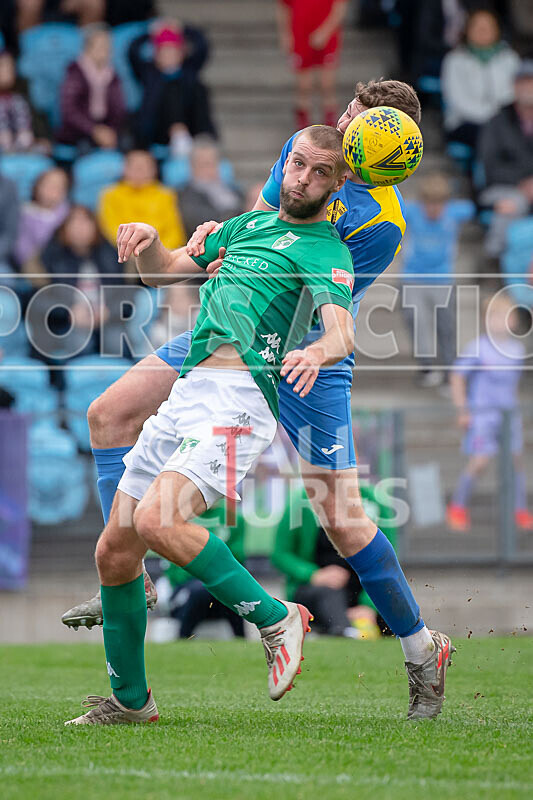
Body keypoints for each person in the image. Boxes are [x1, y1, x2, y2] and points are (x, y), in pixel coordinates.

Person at [63, 80, 455, 722]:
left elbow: (318, 295)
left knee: (342, 519)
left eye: (361, 123)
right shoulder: (308, 153)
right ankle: (130, 574)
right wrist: (222, 238)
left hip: (302, 356)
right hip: (233, 327)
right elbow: (265, 229)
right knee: (108, 413)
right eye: (350, 112)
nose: (346, 123)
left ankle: (420, 649)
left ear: (388, 146)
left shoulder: (380, 224)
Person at [65, 125, 356, 724]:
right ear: (285, 161)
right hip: (190, 390)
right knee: (115, 554)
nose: (301, 179)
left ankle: (278, 619)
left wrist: (317, 351)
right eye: (296, 163)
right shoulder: (246, 224)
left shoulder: (324, 248)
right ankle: (130, 704)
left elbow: (342, 329)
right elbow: (164, 271)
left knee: (157, 519)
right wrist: (148, 242)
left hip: (239, 400)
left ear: (337, 182)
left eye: (318, 172)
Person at [447, 292, 533, 532]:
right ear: (487, 319)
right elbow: (457, 377)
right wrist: (463, 409)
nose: (502, 321)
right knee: (479, 462)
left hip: (508, 416)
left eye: (507, 316)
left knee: (516, 462)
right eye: (496, 316)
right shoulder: (478, 348)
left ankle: (520, 510)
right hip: (483, 415)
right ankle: (458, 507)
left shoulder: (517, 350)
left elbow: (511, 386)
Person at [273, 483, 397, 639]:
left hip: (365, 593)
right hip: (316, 591)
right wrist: (314, 575)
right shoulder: (301, 501)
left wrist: (368, 606)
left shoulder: (375, 502)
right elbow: (280, 554)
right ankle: (345, 632)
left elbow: (386, 560)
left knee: (396, 605)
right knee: (328, 594)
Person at [401, 172, 475, 387]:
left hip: (443, 278)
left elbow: (473, 207)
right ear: (422, 201)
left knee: (447, 328)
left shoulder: (455, 211)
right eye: (429, 204)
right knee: (417, 323)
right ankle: (426, 368)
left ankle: (449, 373)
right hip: (413, 278)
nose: (434, 209)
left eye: (439, 204)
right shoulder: (411, 211)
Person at [441, 8, 519, 148]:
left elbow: (514, 93)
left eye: (488, 26)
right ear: (467, 30)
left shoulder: (509, 58)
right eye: (478, 26)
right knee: (490, 134)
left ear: (497, 30)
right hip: (466, 122)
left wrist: (499, 117)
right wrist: (490, 117)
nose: (483, 31)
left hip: (503, 121)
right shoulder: (454, 60)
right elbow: (457, 100)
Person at [129, 23, 216, 149]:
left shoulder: (189, 72)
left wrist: (184, 28)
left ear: (180, 53)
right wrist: (150, 32)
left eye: (172, 50)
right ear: (156, 55)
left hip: (190, 132)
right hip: (156, 136)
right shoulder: (149, 74)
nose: (168, 55)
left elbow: (202, 46)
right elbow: (133, 51)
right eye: (164, 51)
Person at [478, 62, 533, 258]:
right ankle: (493, 260)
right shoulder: (497, 121)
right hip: (503, 187)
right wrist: (524, 185)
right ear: (514, 86)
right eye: (523, 82)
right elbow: (490, 166)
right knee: (512, 204)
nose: (528, 88)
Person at [276, 0, 349, 129]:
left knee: (327, 84)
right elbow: (283, 8)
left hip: (328, 37)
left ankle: (330, 126)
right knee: (304, 86)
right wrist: (285, 35)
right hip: (300, 34)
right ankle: (303, 127)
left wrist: (325, 32)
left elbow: (340, 8)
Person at [55, 24, 126, 150]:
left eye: (107, 46)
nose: (105, 50)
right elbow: (70, 112)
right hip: (78, 132)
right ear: (87, 47)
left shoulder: (113, 75)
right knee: (85, 148)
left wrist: (109, 131)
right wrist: (94, 130)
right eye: (100, 45)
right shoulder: (74, 73)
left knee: (127, 144)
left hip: (107, 129)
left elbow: (119, 108)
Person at [98, 150, 186, 251]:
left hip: (162, 251)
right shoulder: (111, 194)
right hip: (124, 251)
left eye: (145, 167)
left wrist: (161, 252)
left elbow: (174, 230)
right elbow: (112, 228)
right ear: (124, 169)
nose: (140, 170)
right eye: (135, 166)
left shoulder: (166, 194)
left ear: (154, 170)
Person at [177, 138, 243, 238]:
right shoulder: (186, 194)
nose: (210, 169)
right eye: (205, 164)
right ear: (193, 167)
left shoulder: (232, 189)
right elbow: (197, 222)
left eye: (213, 163)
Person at [14, 167, 69, 267]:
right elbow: (21, 247)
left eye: (59, 186)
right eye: (48, 185)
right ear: (36, 187)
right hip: (33, 264)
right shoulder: (24, 213)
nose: (53, 190)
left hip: (63, 264)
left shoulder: (69, 214)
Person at [0, 49, 34, 153]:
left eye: (11, 66)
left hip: (22, 152)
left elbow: (38, 129)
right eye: (2, 66)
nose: (8, 70)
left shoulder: (22, 95)